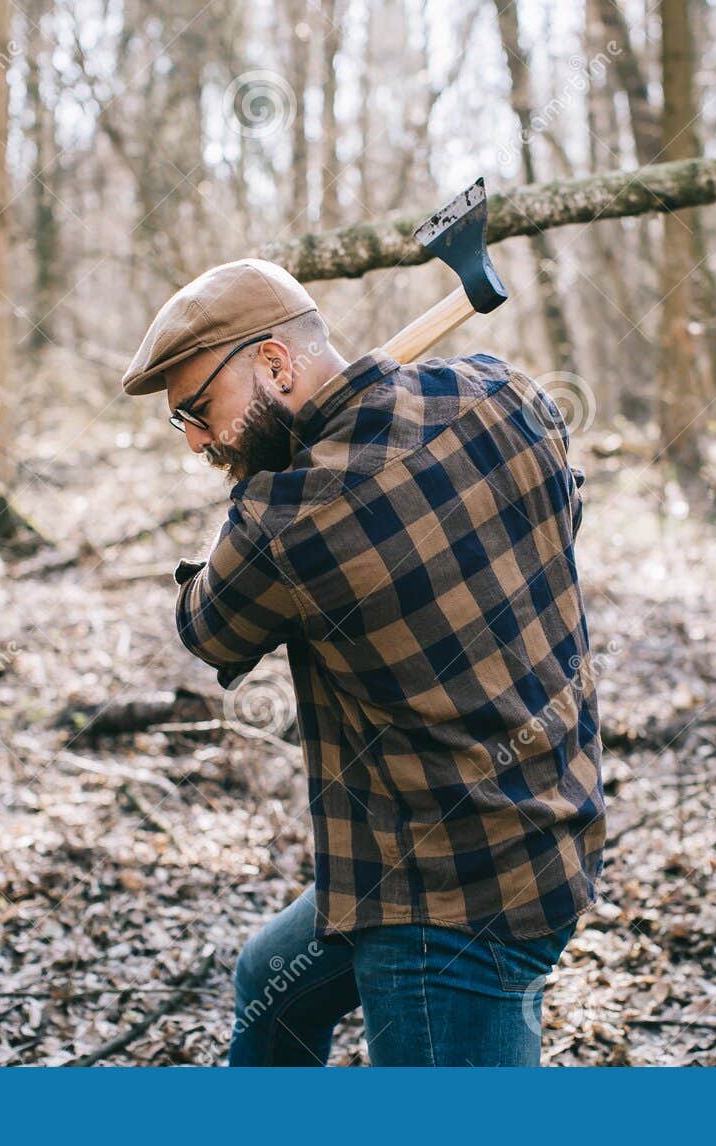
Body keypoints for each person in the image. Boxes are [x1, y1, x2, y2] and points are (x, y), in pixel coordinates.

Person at [122, 258, 605, 1063]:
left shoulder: (279, 521)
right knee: (271, 981)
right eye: (184, 425)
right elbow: (567, 503)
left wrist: (255, 489)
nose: (199, 441)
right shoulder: (504, 395)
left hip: (450, 906)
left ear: (275, 364)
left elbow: (206, 628)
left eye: (200, 412)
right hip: (542, 824)